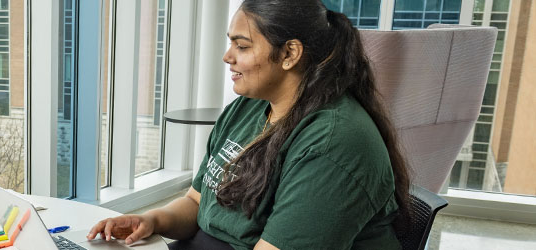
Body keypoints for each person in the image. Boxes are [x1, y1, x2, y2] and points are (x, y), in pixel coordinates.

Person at [88, 1, 411, 249]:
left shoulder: (332, 144)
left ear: (289, 53)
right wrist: (151, 220)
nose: (228, 56)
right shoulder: (249, 108)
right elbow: (197, 202)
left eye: (242, 46)